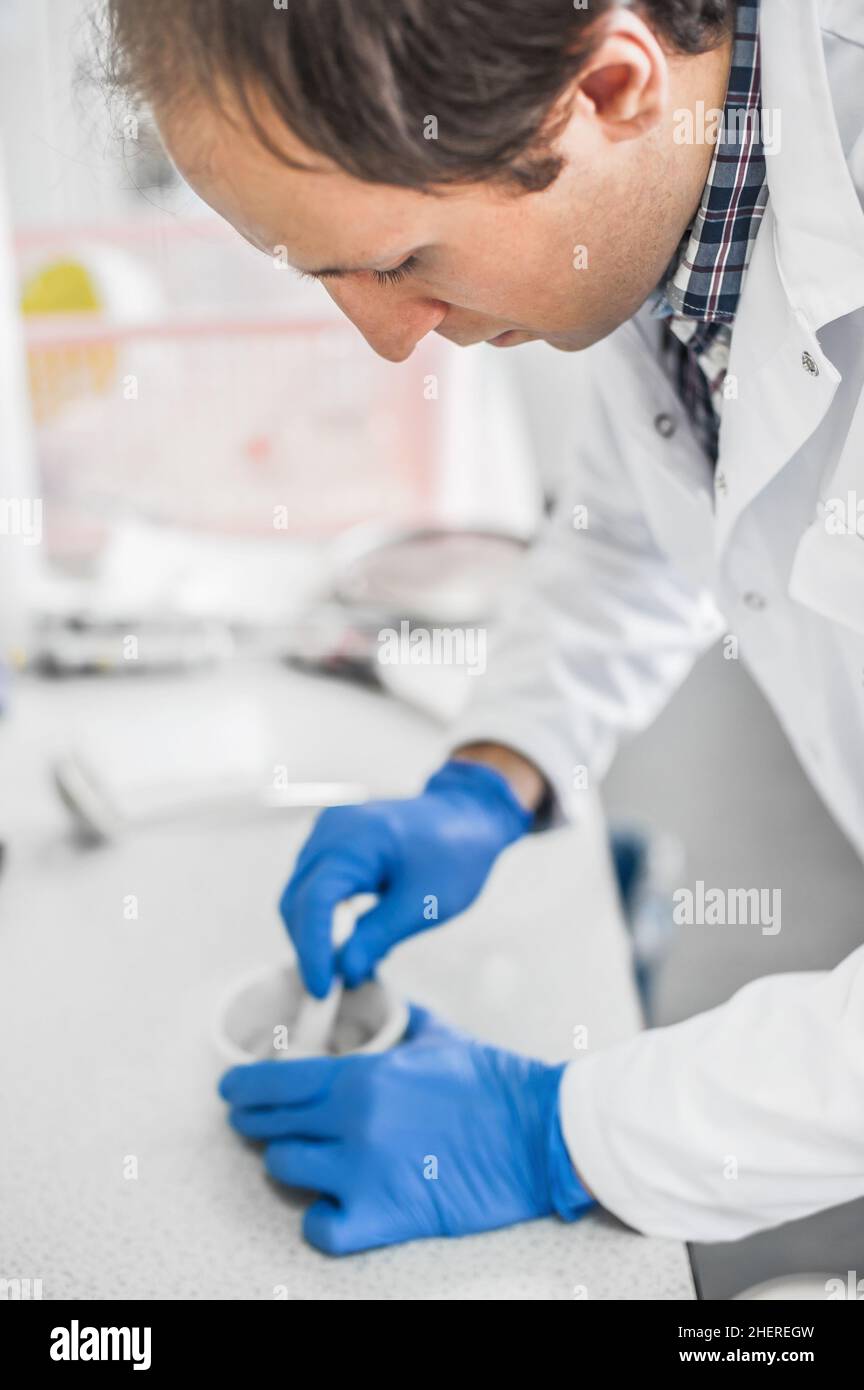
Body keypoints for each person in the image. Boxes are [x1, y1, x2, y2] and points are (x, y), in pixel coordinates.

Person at [105, 0, 864, 1254]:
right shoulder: (674, 174)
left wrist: (556, 1130)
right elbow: (656, 500)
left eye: (402, 260)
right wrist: (497, 768)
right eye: (320, 268)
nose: (389, 338)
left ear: (613, 89)